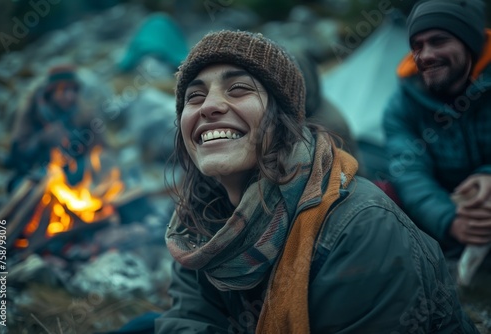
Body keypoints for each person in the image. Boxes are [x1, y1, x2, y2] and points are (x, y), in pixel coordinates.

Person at [154, 30, 478, 333]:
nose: (209, 106)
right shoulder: (196, 224)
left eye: (239, 89)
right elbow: (189, 318)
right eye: (194, 97)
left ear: (283, 122)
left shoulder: (361, 229)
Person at [383, 0, 491, 255]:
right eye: (416, 46)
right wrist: (449, 220)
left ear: (471, 44)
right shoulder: (402, 105)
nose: (426, 55)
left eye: (439, 41)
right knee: (380, 192)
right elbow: (409, 172)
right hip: (450, 211)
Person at [5, 64, 103, 191]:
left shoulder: (83, 113)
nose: (70, 96)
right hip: (39, 174)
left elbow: (101, 147)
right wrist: (42, 138)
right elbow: (17, 156)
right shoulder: (32, 112)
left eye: (73, 91)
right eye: (64, 91)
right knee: (20, 187)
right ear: (51, 92)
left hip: (74, 171)